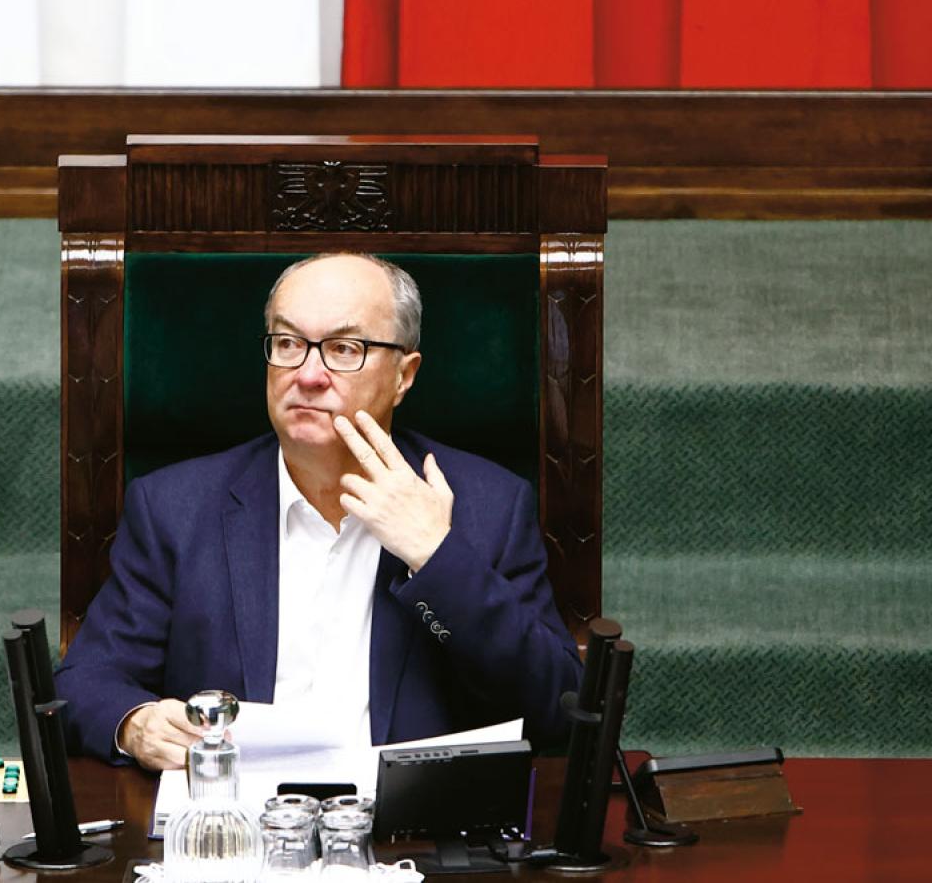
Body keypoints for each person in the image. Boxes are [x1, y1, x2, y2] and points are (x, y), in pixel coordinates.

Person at [55, 253, 582, 771]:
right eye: (288, 343)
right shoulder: (175, 509)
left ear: (404, 375)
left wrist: (436, 558)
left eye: (344, 349)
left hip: (410, 819)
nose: (308, 374)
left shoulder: (489, 508)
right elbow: (84, 683)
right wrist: (138, 724)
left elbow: (557, 709)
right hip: (236, 812)